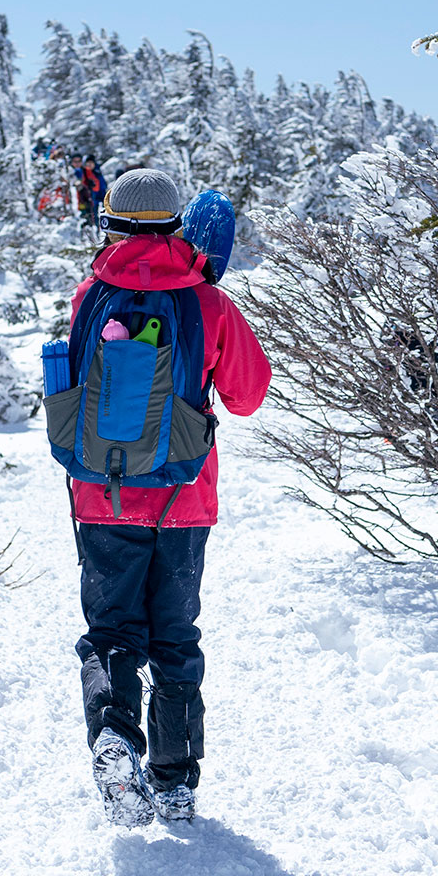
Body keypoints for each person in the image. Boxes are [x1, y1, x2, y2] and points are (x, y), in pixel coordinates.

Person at [66, 169, 271, 824]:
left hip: (102, 493)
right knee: (175, 636)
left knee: (112, 630)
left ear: (112, 225)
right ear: (175, 226)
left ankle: (115, 736)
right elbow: (248, 394)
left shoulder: (89, 295)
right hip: (183, 496)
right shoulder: (208, 304)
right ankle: (176, 781)